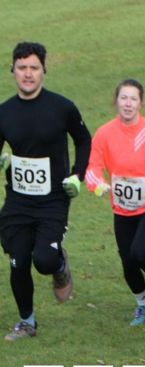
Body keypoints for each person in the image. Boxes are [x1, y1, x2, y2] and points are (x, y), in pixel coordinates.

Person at [1, 42, 91, 341]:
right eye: (22, 67)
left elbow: (83, 139)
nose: (28, 74)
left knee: (44, 261)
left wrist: (77, 174)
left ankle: (60, 264)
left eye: (34, 68)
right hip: (17, 200)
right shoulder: (5, 112)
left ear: (44, 71)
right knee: (18, 261)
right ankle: (27, 322)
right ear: (13, 70)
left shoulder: (62, 107)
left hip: (52, 200)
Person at [85, 79, 145, 326]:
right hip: (122, 207)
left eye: (133, 98)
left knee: (140, 252)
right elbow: (92, 168)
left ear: (141, 103)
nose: (128, 103)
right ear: (116, 101)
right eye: (123, 98)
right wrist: (98, 185)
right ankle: (143, 305)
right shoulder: (104, 133)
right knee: (127, 261)